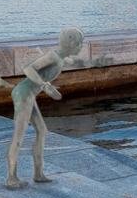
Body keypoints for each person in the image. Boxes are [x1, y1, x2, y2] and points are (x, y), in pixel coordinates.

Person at [5, 28, 84, 189]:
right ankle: (11, 178)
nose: (81, 46)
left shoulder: (60, 58)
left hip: (29, 94)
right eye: (79, 43)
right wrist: (44, 85)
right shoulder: (53, 57)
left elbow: (59, 64)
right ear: (70, 43)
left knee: (42, 131)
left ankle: (38, 174)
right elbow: (28, 68)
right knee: (19, 137)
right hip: (23, 94)